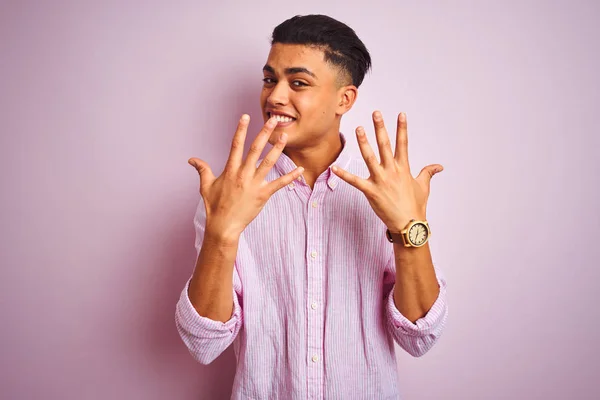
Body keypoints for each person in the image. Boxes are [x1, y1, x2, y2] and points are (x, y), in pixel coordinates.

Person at [175, 14, 448, 400]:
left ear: (345, 99)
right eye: (270, 79)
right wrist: (222, 234)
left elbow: (420, 337)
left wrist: (409, 229)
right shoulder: (229, 196)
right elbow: (203, 344)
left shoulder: (389, 191)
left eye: (298, 83)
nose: (274, 97)